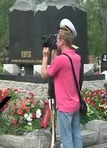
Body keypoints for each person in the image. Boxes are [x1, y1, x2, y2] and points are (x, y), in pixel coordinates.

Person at [41, 18, 83, 148]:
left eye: (58, 39)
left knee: (66, 139)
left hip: (64, 106)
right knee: (76, 135)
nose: (56, 41)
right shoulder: (77, 57)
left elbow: (44, 74)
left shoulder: (61, 60)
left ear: (62, 41)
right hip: (75, 104)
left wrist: (45, 57)